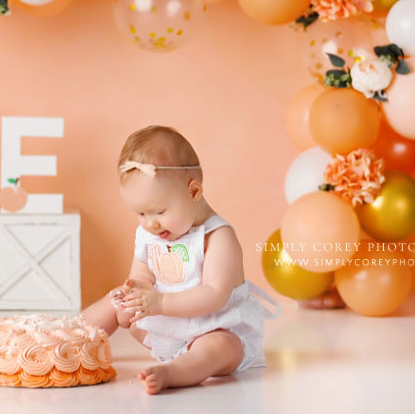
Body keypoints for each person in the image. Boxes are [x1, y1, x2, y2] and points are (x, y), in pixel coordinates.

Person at [81, 125, 279, 394]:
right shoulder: (150, 233)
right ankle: (70, 336)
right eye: (140, 214)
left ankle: (176, 371)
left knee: (222, 347)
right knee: (115, 299)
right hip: (166, 324)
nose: (149, 223)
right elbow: (141, 272)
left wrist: (160, 302)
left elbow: (214, 295)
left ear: (194, 192)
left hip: (211, 326)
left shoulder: (218, 237)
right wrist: (136, 291)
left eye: (159, 211)